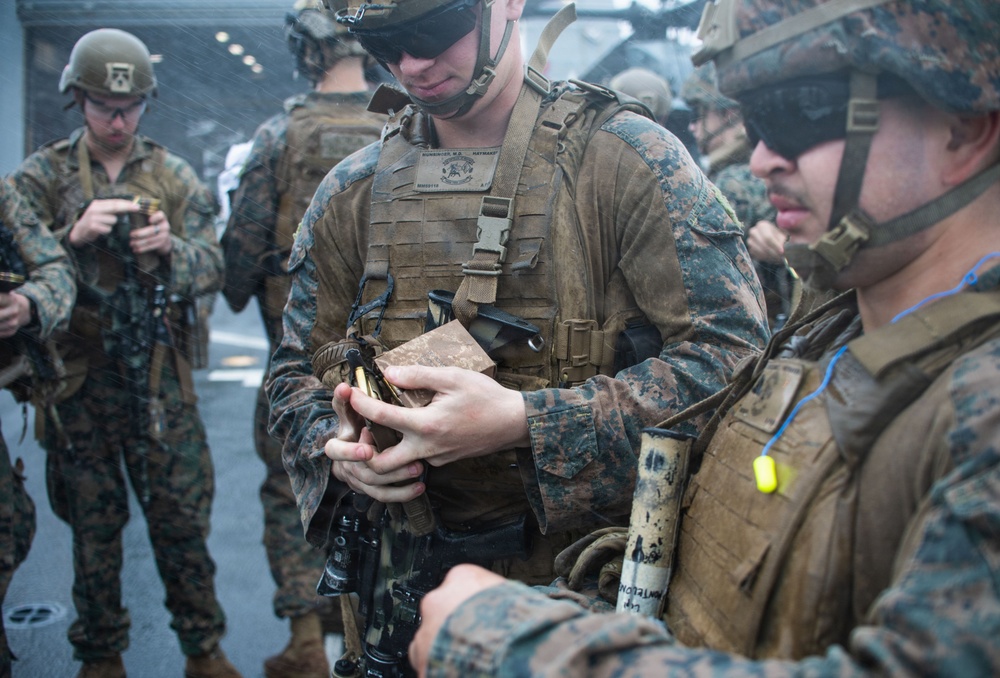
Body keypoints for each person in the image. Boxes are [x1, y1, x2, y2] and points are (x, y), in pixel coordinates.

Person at [407, 0, 1000, 675]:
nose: (762, 158)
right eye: (755, 122)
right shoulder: (824, 340)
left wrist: (514, 647)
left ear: (963, 130)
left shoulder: (978, 393)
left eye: (801, 111)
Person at [267, 0, 767, 666]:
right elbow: (291, 374)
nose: (412, 63)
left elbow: (735, 361)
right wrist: (339, 443)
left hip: (582, 603)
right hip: (397, 585)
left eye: (435, 30)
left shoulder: (625, 162)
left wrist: (525, 422)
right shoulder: (352, 191)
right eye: (383, 43)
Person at [10, 29, 239, 678]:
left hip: (161, 378)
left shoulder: (171, 176)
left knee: (181, 524)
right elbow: (19, 267)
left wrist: (171, 248)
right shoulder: (43, 176)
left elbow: (212, 267)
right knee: (92, 530)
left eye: (132, 106)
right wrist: (69, 236)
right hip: (78, 383)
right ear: (76, 100)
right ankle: (100, 654)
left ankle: (205, 650)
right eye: (105, 106)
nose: (118, 120)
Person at [221, 1, 385, 675]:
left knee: (292, 491)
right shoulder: (404, 127)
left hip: (297, 368)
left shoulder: (276, 138)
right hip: (390, 366)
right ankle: (370, 636)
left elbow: (238, 259)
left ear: (304, 50)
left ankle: (305, 643)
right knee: (383, 493)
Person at [0, 180, 76, 678]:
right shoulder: (39, 173)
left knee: (9, 525)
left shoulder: (7, 197)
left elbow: (55, 272)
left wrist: (27, 304)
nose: (117, 117)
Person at [683, 61, 794, 327]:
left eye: (700, 115)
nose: (693, 127)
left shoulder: (731, 183)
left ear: (730, 115)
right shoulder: (771, 166)